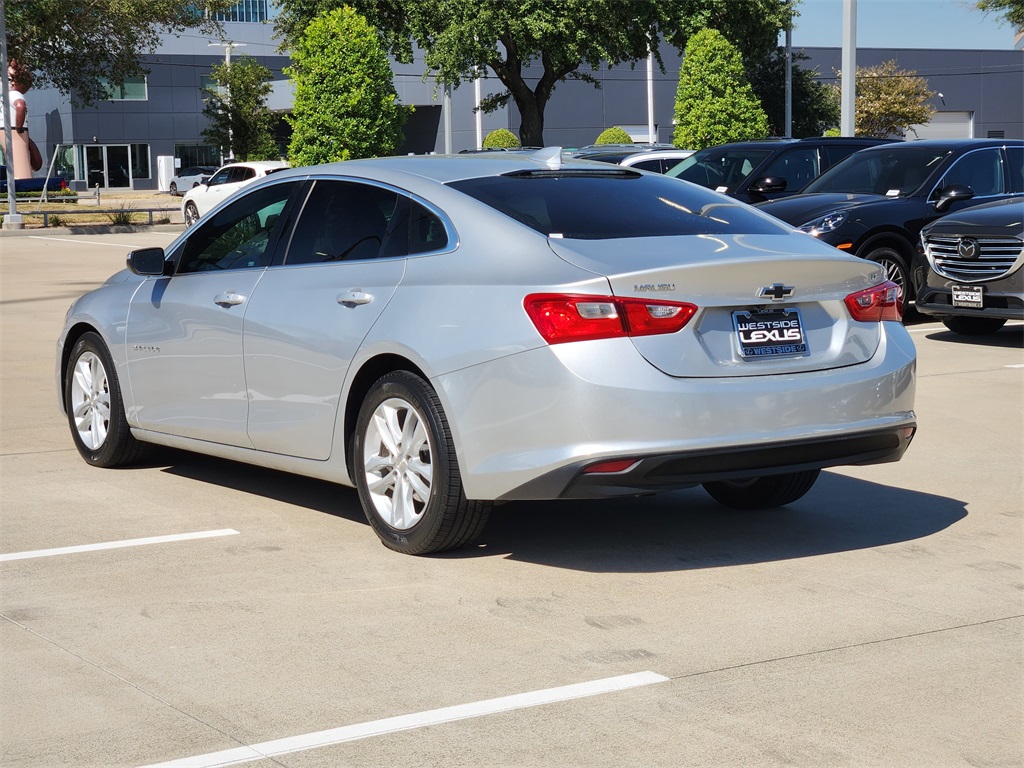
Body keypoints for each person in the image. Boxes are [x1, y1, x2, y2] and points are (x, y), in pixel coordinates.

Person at [2, 60, 42, 178]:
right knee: (20, 163)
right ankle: (22, 187)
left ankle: (18, 188)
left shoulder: (11, 95)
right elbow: (21, 106)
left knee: (16, 159)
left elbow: (20, 106)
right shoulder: (13, 95)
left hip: (12, 128)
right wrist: (19, 127)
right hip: (15, 130)